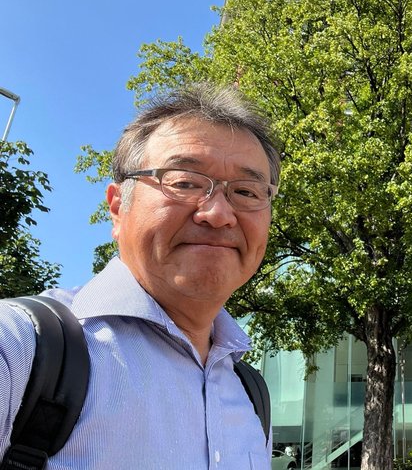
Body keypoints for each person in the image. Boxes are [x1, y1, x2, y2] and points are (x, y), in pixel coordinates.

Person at [0, 84, 281, 468]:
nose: (218, 214)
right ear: (118, 208)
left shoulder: (252, 396)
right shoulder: (20, 349)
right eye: (185, 182)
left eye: (247, 192)